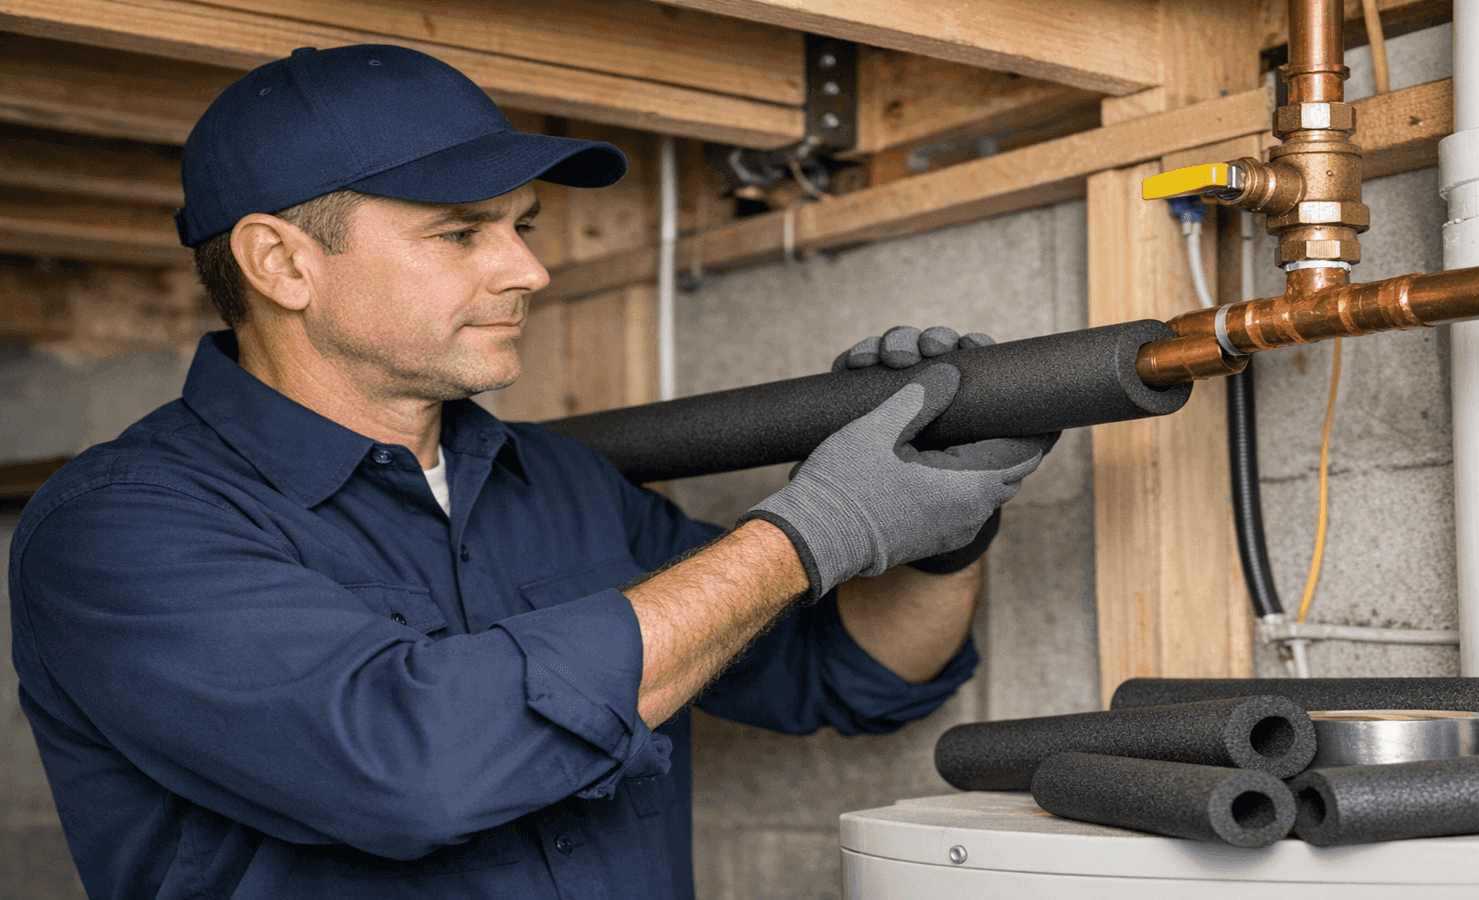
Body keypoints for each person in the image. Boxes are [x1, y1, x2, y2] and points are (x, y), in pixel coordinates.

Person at [8, 45, 1051, 899]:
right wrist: (805, 534)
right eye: (461, 233)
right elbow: (410, 768)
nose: (528, 270)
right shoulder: (122, 529)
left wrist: (940, 522)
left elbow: (848, 674)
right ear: (281, 263)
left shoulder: (559, 483)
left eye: (522, 227)